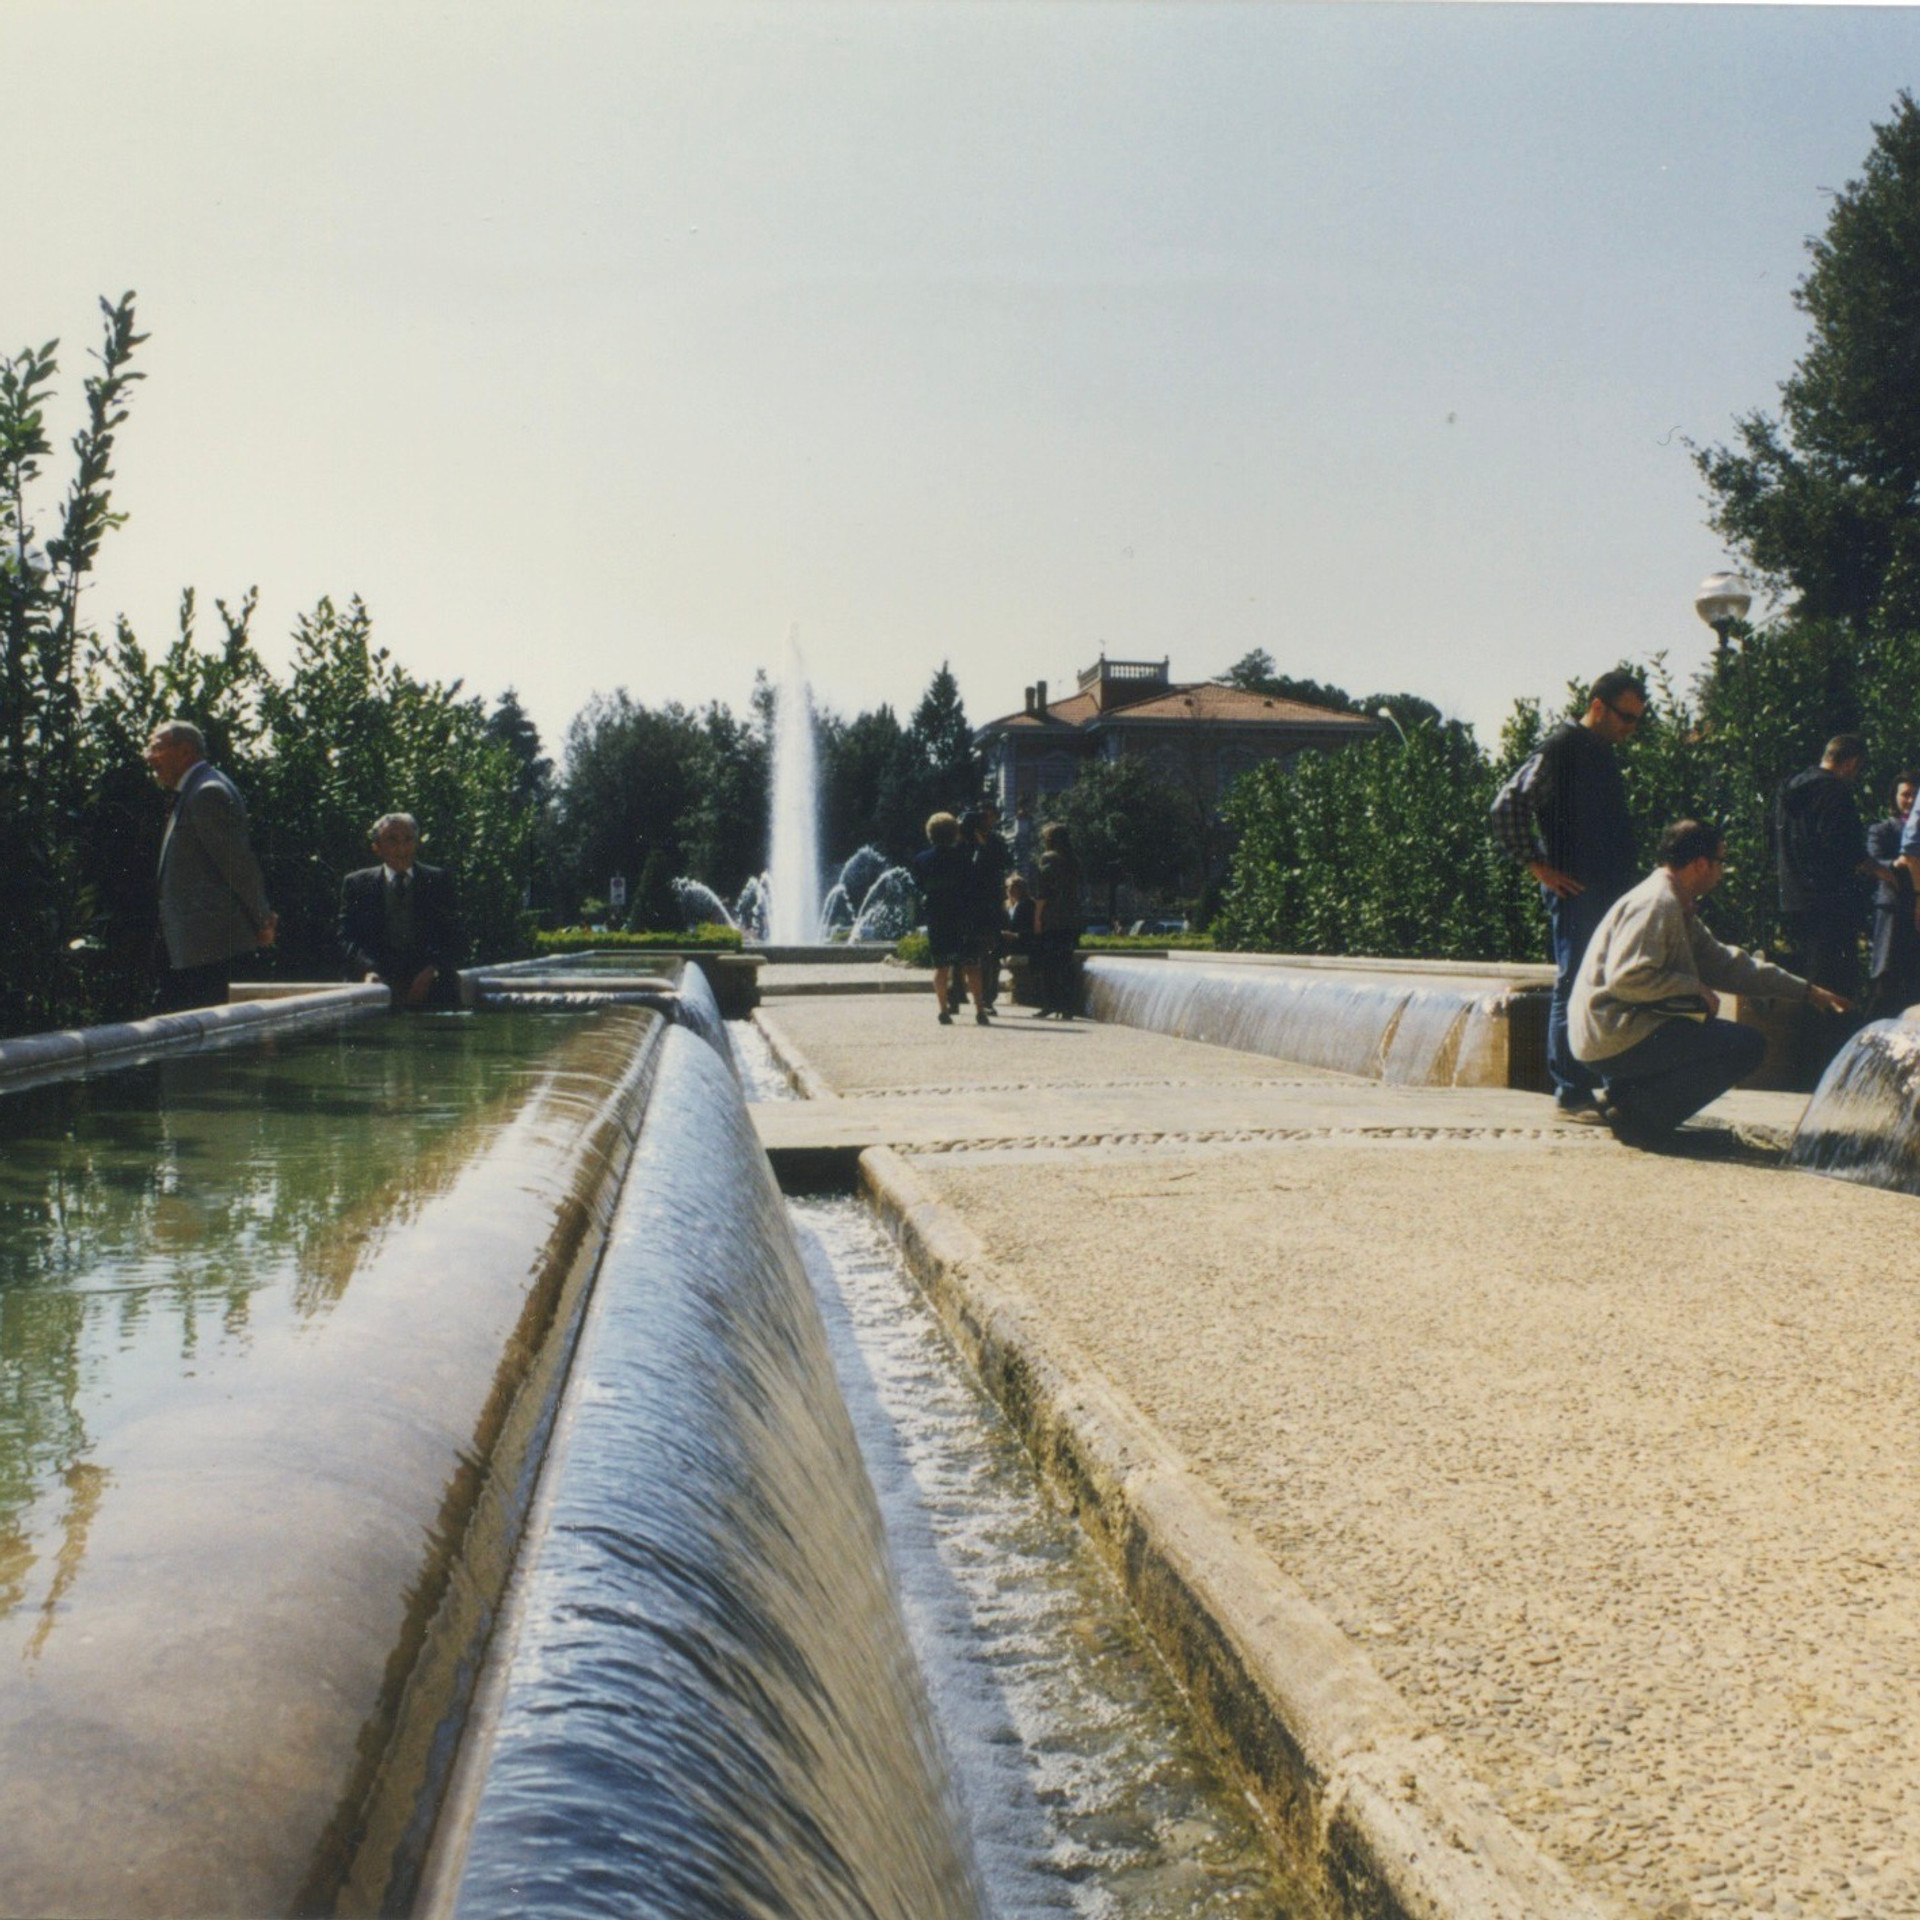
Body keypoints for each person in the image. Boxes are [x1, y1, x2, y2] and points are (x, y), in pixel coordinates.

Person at [1571, 819, 1849, 1147]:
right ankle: (1642, 1120)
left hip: (1616, 1033)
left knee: (1713, 1033)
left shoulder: (1675, 902)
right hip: (1612, 1036)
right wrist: (1693, 988)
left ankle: (1623, 1101)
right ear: (1701, 863)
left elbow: (1729, 965)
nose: (1722, 872)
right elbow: (1627, 978)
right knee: (1744, 1046)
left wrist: (1805, 991)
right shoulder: (1656, 903)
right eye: (1721, 862)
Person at [1490, 670, 1647, 1122]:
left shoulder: (1596, 751)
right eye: (1624, 717)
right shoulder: (1562, 749)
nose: (1629, 729)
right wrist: (1539, 865)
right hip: (1579, 888)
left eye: (1636, 720)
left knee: (1604, 983)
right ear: (1598, 706)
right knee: (1575, 980)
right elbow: (1507, 804)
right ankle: (1571, 1091)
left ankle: (1595, 1085)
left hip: (1605, 888)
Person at [1774, 734, 1891, 1080]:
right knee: (1836, 987)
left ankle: (1802, 1067)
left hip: (1795, 900)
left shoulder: (1788, 790)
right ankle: (1826, 1072)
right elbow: (1846, 850)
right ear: (1851, 762)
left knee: (1809, 985)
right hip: (1830, 904)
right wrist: (1882, 872)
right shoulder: (1835, 792)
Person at [145, 719, 276, 1013]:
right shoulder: (194, 790)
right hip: (194, 946)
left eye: (156, 748)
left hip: (207, 949)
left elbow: (237, 865)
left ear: (185, 751)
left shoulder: (206, 793)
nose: (148, 756)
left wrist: (262, 919)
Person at [338, 813, 464, 1008]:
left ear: (416, 843)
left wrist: (432, 970)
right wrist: (369, 971)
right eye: (392, 840)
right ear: (376, 847)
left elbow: (454, 936)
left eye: (408, 840)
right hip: (376, 981)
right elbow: (348, 938)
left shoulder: (439, 881)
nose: (401, 848)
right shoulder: (356, 884)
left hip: (431, 985)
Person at [912, 812, 985, 1025]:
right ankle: (980, 1010)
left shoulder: (921, 860)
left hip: (937, 916)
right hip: (962, 915)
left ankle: (943, 1010)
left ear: (930, 833)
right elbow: (973, 887)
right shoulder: (964, 858)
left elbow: (919, 886)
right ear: (954, 832)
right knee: (971, 964)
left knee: (941, 966)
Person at [1866, 770, 1920, 1020]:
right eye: (1905, 795)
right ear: (1895, 797)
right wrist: (1895, 865)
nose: (1909, 800)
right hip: (1892, 907)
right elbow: (1873, 860)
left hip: (1917, 908)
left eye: (1914, 795)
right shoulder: (1882, 830)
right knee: (1885, 975)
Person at [1032, 820, 1085, 1018]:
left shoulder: (1048, 858)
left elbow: (1043, 892)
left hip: (1052, 918)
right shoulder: (1074, 861)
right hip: (1071, 918)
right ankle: (1067, 1007)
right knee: (1065, 962)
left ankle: (1051, 1004)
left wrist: (1037, 918)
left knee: (1049, 964)